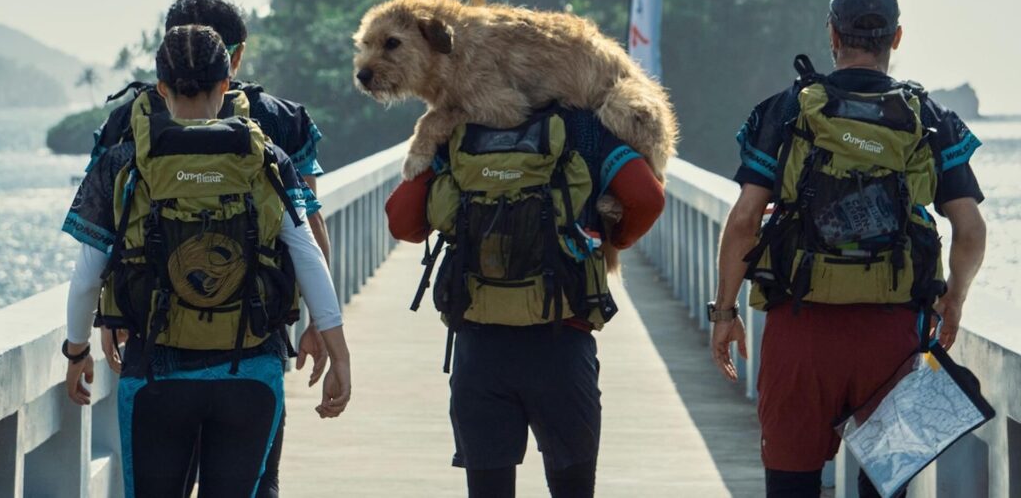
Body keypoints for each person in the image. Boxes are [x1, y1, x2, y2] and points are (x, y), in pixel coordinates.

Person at [709, 0, 986, 498]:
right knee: (883, 488)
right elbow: (969, 229)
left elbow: (746, 217)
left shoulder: (788, 109)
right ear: (896, 38)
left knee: (791, 484)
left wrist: (725, 312)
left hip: (800, 331)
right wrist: (954, 300)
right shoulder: (929, 118)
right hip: (893, 338)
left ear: (832, 34)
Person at [62, 25, 352, 498]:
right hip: (250, 370)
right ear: (226, 85)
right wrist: (339, 354)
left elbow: (85, 278)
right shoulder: (264, 157)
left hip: (155, 374)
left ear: (160, 89)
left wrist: (77, 352)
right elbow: (308, 255)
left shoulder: (124, 162)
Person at [385, 105, 665, 498]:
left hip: (480, 352)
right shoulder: (584, 129)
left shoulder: (461, 126)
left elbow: (402, 222)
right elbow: (647, 197)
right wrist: (611, 240)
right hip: (562, 345)